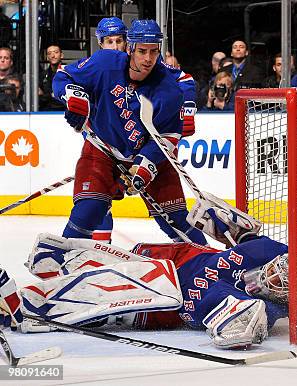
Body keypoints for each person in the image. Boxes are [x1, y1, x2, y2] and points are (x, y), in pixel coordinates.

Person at [0, 202, 286, 350]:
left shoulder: (261, 305)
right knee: (73, 256)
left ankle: (22, 308)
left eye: (278, 282)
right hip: (172, 259)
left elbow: (242, 324)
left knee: (91, 294)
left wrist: (246, 327)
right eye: (276, 269)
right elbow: (244, 234)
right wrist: (229, 225)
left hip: (162, 298)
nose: (271, 275)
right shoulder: (268, 250)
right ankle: (46, 274)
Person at [51, 20, 208, 248]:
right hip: (102, 149)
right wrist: (74, 96)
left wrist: (146, 165)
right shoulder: (105, 63)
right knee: (88, 210)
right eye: (142, 51)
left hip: (147, 156)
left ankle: (207, 260)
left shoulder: (169, 90)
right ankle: (62, 262)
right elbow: (64, 75)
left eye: (154, 51)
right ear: (130, 48)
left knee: (176, 221)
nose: (148, 59)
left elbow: (168, 137)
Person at [38, 45, 65, 111]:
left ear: (61, 55)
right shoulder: (43, 75)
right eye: (49, 53)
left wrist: (46, 95)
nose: (52, 56)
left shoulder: (69, 73)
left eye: (56, 52)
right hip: (46, 112)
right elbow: (39, 98)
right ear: (47, 57)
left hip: (65, 111)